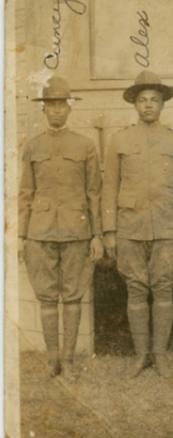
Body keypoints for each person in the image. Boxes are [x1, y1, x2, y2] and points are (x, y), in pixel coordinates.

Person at [102, 71, 173, 379]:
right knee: (136, 290)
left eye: (155, 99)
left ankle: (161, 356)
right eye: (143, 100)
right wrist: (110, 232)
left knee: (164, 290)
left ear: (163, 104)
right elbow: (109, 187)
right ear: (135, 104)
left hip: (166, 229)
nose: (149, 105)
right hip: (130, 228)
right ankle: (141, 357)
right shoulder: (119, 140)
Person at [18, 76, 103, 380]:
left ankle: (67, 359)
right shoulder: (33, 146)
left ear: (69, 108)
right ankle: (52, 359)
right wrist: (20, 235)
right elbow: (25, 193)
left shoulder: (85, 146)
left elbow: (94, 193)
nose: (56, 111)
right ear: (44, 110)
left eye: (61, 105)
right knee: (45, 297)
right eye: (51, 105)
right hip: (40, 232)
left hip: (76, 232)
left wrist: (97, 235)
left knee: (73, 296)